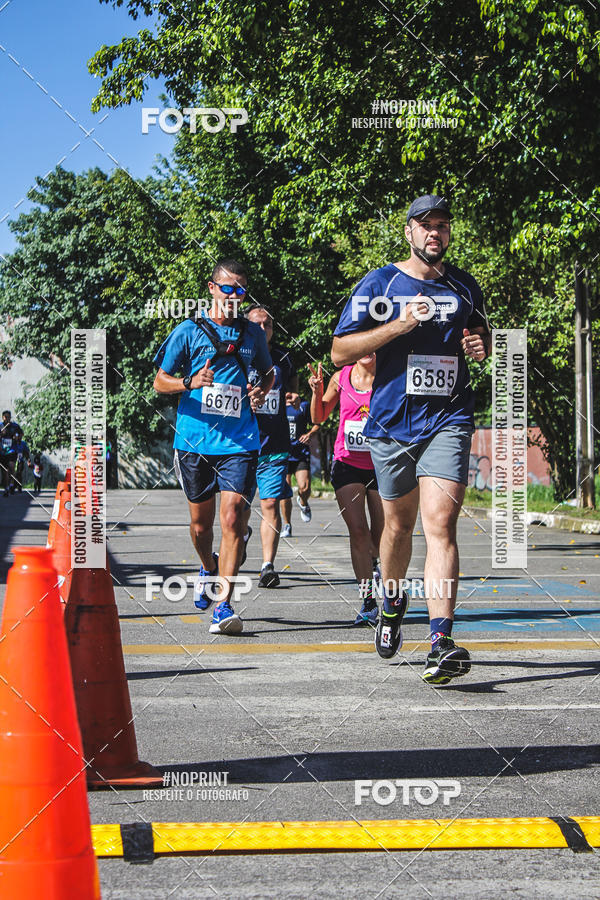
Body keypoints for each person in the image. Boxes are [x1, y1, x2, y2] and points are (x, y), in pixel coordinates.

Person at [331, 194, 491, 683]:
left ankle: (441, 639)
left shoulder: (464, 286)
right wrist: (397, 325)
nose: (435, 233)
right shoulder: (380, 284)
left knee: (440, 524)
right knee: (397, 529)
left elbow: (480, 338)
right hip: (391, 425)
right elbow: (340, 350)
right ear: (409, 232)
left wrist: (479, 345)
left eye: (442, 225)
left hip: (448, 418)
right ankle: (392, 601)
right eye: (426, 226)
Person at [153, 260, 274, 634]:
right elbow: (160, 382)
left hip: (239, 440)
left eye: (241, 290)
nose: (234, 296)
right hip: (194, 440)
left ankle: (224, 605)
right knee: (200, 526)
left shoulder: (253, 334)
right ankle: (207, 566)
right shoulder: (187, 331)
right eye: (228, 288)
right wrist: (190, 381)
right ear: (211, 288)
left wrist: (260, 390)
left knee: (234, 517)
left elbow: (268, 373)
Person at [308, 355, 384, 625]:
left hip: (382, 465)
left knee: (382, 538)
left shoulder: (390, 374)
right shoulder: (341, 377)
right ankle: (368, 602)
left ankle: (375, 564)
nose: (368, 351)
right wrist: (316, 392)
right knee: (358, 532)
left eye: (373, 346)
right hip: (347, 463)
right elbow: (318, 416)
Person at [243, 305, 299, 588]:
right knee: (238, 510)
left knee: (269, 504)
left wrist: (294, 397)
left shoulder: (282, 359)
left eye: (268, 324)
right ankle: (240, 538)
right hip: (240, 445)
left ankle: (267, 566)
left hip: (274, 444)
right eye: (257, 324)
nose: (263, 329)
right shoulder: (235, 356)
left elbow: (292, 384)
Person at [280, 397, 319, 537]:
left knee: (305, 487)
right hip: (282, 453)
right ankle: (287, 525)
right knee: (285, 491)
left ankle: (303, 502)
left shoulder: (303, 405)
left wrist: (309, 434)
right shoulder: (276, 403)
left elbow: (317, 423)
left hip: (300, 453)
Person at [0, 411, 21, 497]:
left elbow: (21, 434)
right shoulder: (0, 426)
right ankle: (6, 488)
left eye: (8, 417)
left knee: (11, 468)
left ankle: (11, 484)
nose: (7, 418)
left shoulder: (15, 426)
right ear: (2, 417)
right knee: (5, 472)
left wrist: (17, 437)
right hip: (2, 452)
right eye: (5, 417)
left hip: (12, 451)